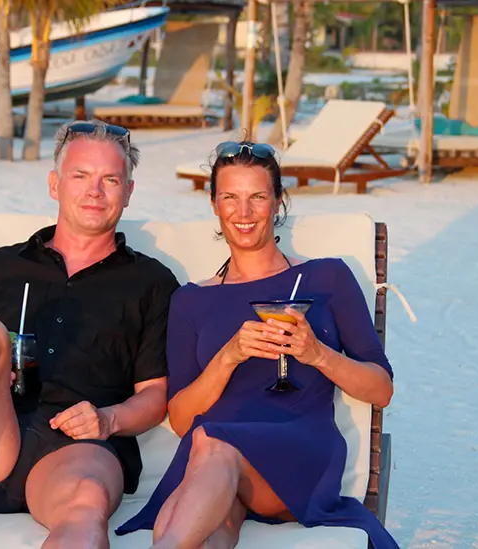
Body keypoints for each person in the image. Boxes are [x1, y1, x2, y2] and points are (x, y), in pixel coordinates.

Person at [0, 120, 179, 549]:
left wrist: (108, 418)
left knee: (88, 501)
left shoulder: (152, 282)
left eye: (110, 179)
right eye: (80, 176)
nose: (94, 191)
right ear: (55, 185)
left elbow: (154, 395)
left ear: (128, 192)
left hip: (78, 449)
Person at [115, 141, 399, 549]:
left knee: (213, 444)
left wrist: (317, 353)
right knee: (212, 526)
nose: (243, 213)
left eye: (257, 197)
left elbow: (381, 390)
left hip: (298, 452)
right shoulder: (191, 300)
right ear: (214, 203)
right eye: (230, 197)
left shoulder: (326, 279)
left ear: (278, 201)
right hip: (215, 466)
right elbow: (180, 419)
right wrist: (228, 356)